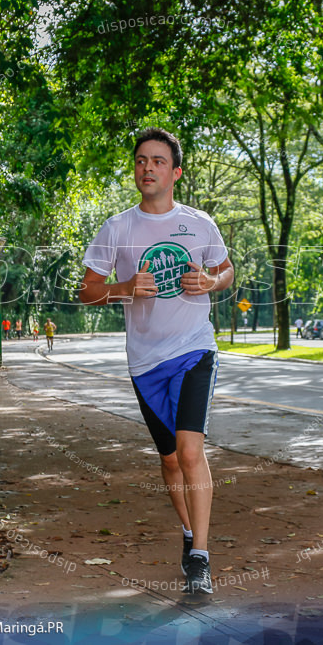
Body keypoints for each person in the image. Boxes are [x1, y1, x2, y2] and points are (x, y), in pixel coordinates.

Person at [79, 128, 234, 595]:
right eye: (141, 160)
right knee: (169, 462)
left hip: (194, 350)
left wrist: (212, 281)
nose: (148, 168)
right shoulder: (118, 229)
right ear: (135, 170)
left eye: (159, 161)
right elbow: (87, 291)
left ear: (176, 172)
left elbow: (226, 270)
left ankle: (201, 560)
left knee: (190, 452)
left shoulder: (200, 223)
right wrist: (124, 289)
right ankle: (189, 534)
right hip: (145, 364)